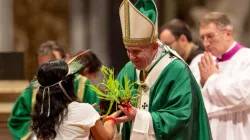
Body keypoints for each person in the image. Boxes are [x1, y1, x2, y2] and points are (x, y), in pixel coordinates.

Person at [114, 0, 212, 140]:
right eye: (127, 51)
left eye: (136, 51)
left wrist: (139, 116)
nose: (131, 57)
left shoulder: (177, 71)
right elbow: (114, 103)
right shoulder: (129, 70)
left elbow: (180, 116)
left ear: (154, 47)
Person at [8, 41, 99, 140]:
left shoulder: (83, 85)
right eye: (43, 67)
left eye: (54, 65)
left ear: (66, 60)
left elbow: (97, 121)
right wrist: (37, 132)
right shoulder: (34, 87)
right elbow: (17, 120)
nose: (49, 72)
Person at [190, 12, 250, 140]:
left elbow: (242, 97)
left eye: (210, 36)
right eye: (202, 38)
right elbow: (192, 102)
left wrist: (210, 80)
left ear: (228, 33)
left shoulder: (246, 59)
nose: (205, 44)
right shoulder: (199, 62)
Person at [31, 59, 121, 140]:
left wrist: (89, 115)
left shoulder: (42, 114)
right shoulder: (84, 110)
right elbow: (105, 139)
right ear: (68, 85)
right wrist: (110, 119)